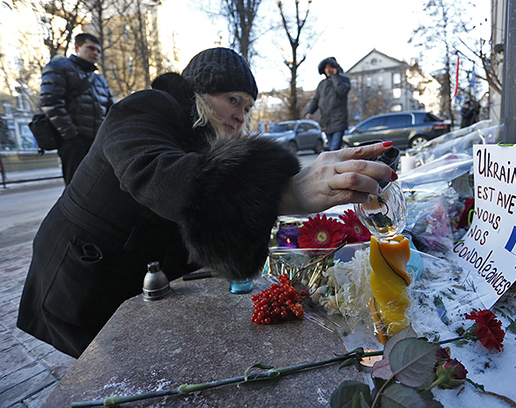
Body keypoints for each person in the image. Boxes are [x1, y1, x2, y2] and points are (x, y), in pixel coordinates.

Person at [17, 48, 398, 358]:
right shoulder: (145, 107)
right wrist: (285, 191)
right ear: (197, 93)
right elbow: (156, 176)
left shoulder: (203, 143)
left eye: (247, 106)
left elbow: (202, 216)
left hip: (134, 280)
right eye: (233, 99)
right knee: (103, 375)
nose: (240, 115)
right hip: (81, 278)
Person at [40, 33, 114, 185]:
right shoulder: (58, 68)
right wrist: (72, 136)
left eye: (98, 51)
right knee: (76, 189)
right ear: (77, 47)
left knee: (100, 188)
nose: (95, 53)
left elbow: (111, 111)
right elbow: (50, 102)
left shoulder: (99, 80)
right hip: (73, 143)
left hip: (98, 144)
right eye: (91, 48)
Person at [305, 57, 350, 151]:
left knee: (334, 148)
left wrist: (335, 76)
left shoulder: (343, 80)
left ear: (335, 68)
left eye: (330, 67)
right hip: (326, 122)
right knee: (332, 150)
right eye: (326, 67)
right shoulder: (322, 84)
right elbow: (315, 100)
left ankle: (335, 165)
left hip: (338, 120)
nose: (328, 69)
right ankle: (337, 165)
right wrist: (309, 112)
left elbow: (342, 91)